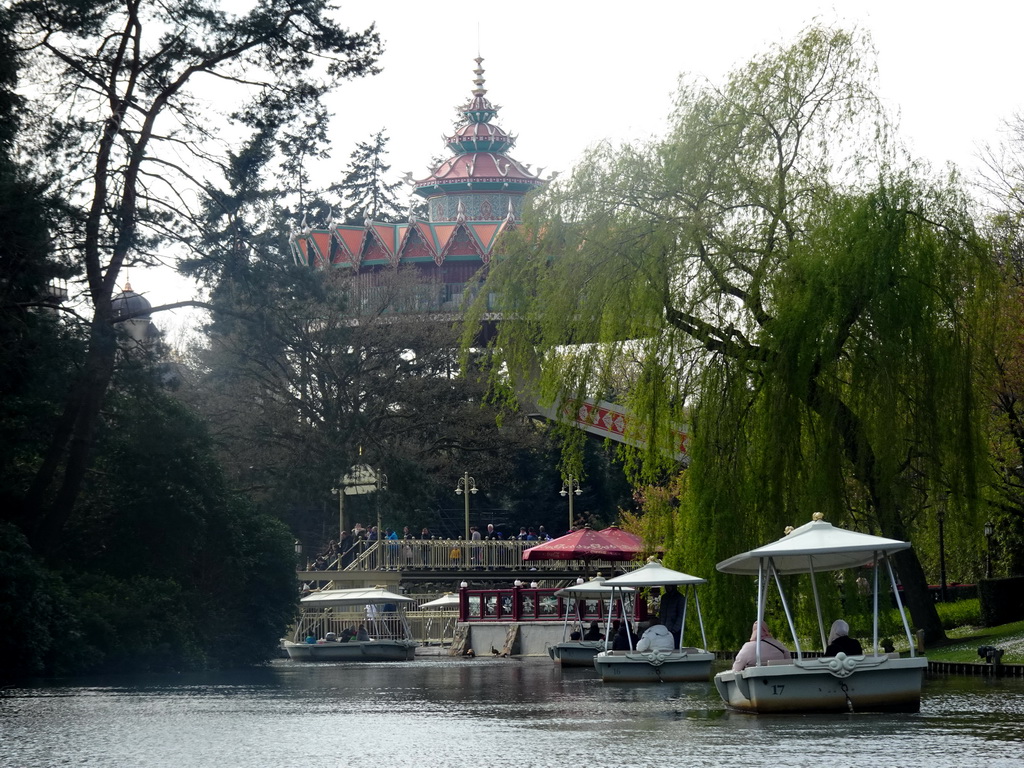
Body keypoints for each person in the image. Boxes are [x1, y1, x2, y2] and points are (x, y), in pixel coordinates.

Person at [658, 584, 684, 648]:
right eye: (666, 586)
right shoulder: (664, 597)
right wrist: (661, 625)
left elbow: (681, 615)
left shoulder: (679, 598)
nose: (667, 587)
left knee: (675, 648)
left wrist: (675, 629)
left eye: (669, 586)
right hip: (664, 629)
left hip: (674, 630)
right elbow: (661, 613)